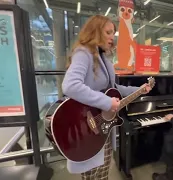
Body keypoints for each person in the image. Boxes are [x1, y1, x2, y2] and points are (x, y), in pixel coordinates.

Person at [62, 15, 151, 180]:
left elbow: (114, 89)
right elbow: (70, 85)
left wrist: (139, 89)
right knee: (91, 175)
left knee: (102, 174)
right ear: (95, 31)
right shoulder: (84, 53)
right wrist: (106, 102)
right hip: (87, 125)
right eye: (108, 32)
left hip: (103, 126)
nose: (112, 37)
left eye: (113, 33)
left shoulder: (103, 59)